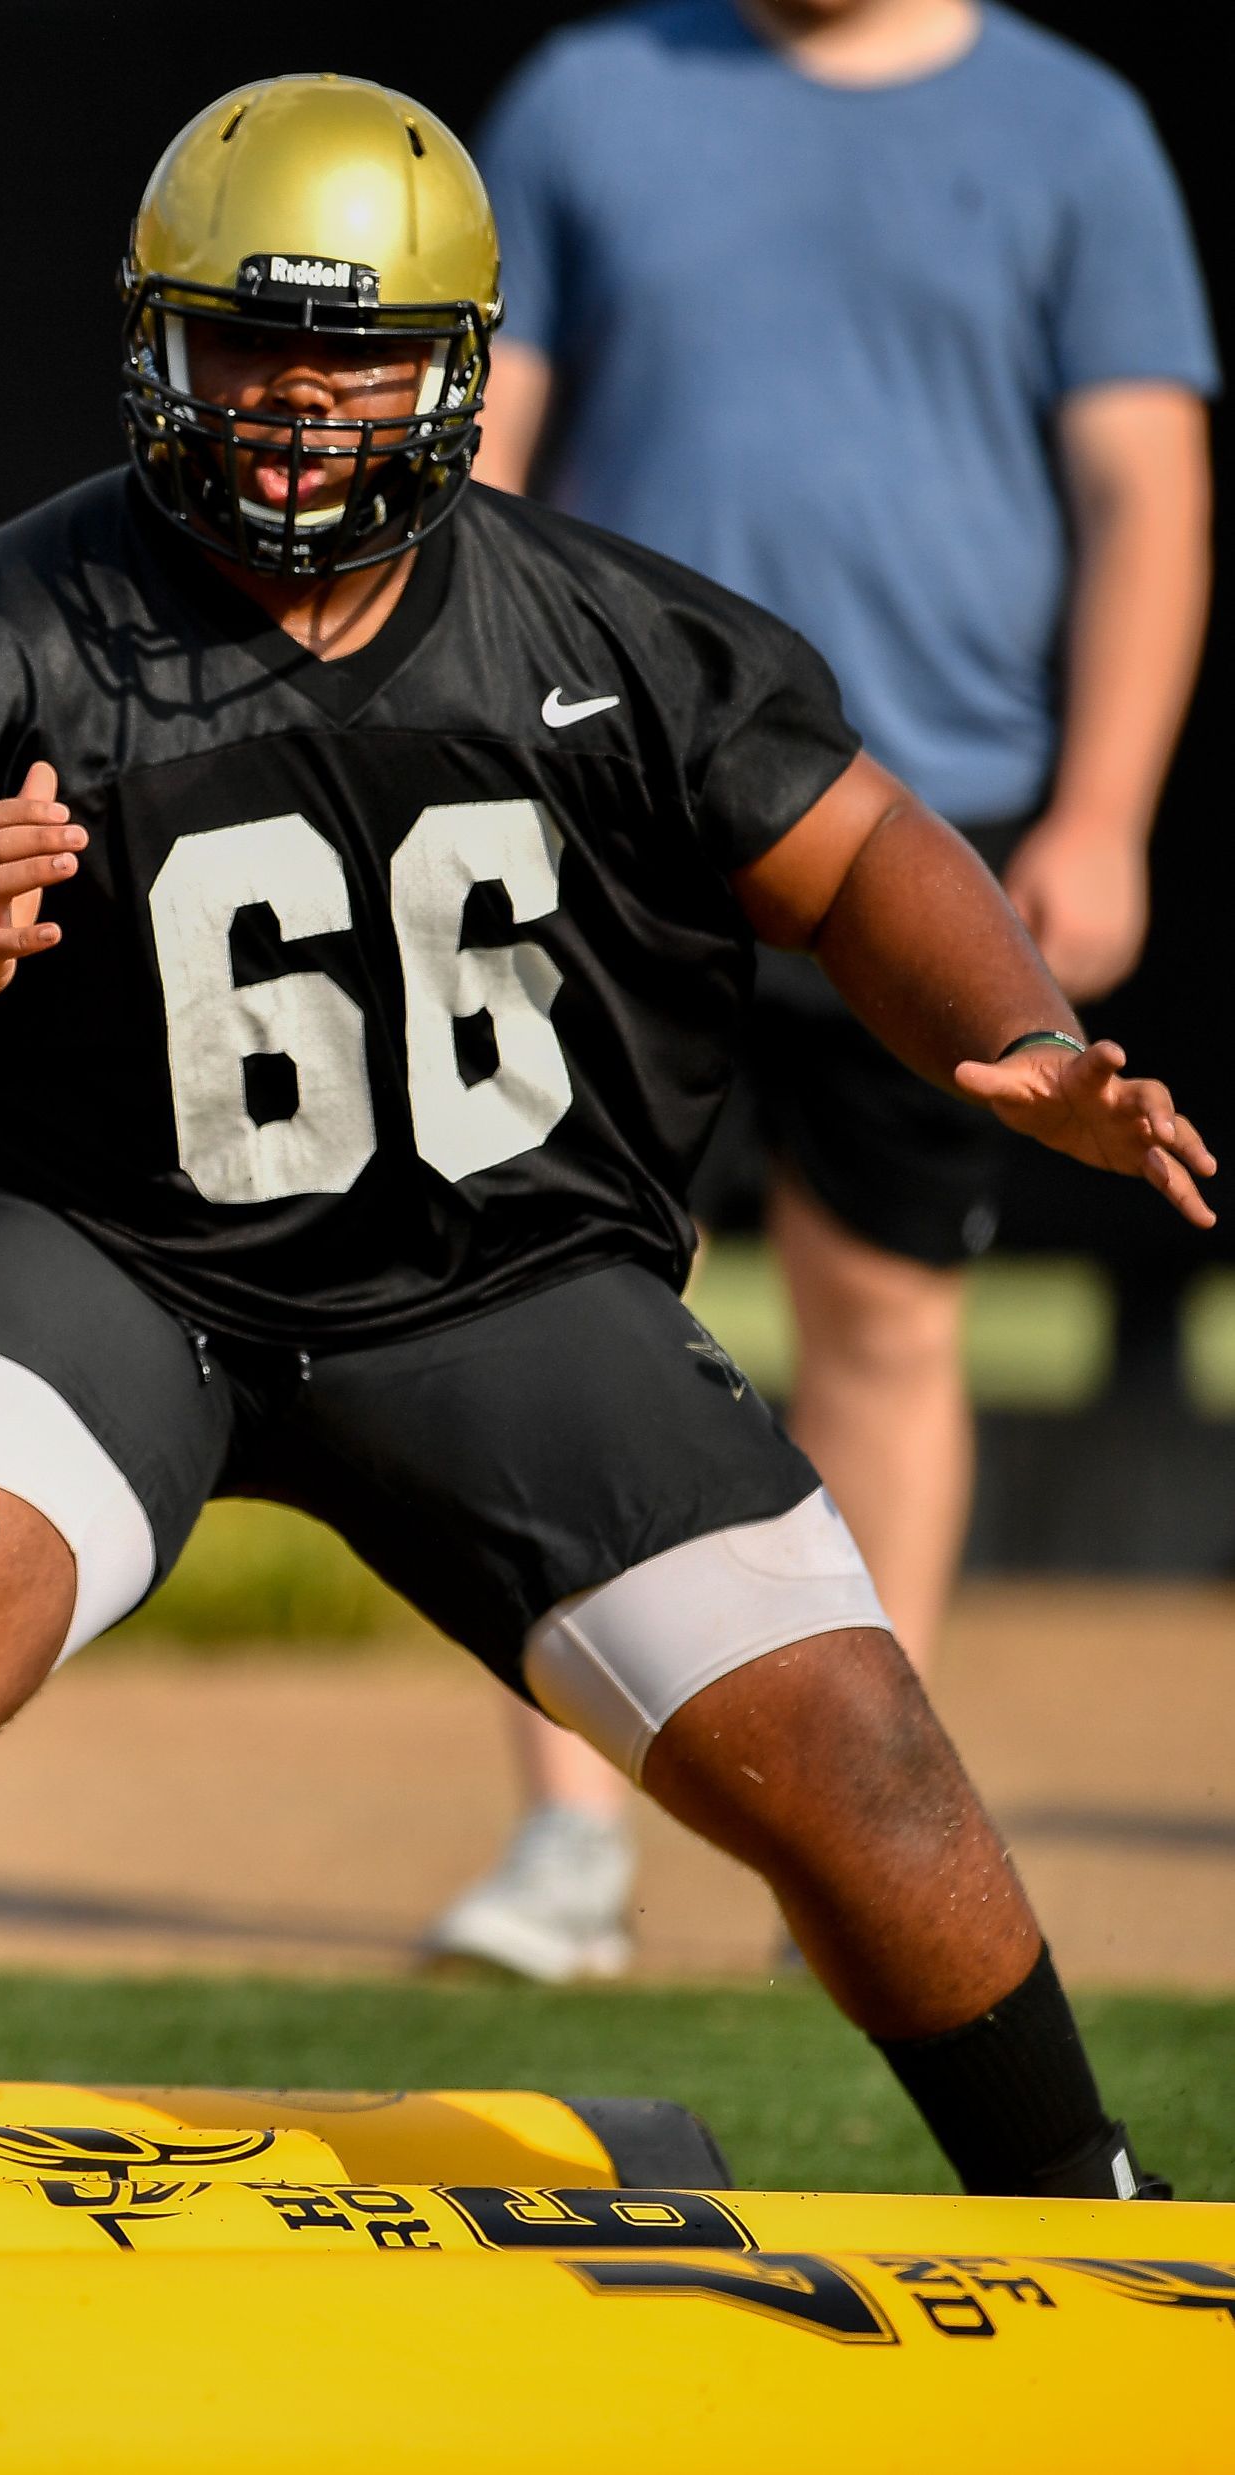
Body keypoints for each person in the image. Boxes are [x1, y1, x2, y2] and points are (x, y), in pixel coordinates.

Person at [0, 73, 1206, 2216]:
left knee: (856, 1741)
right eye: (246, 338)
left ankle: (1089, 2211)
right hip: (95, 1255)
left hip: (500, 1286)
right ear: (152, 342)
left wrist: (1011, 1030)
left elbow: (860, 843)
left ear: (458, 364)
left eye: (354, 351)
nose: (299, 400)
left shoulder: (606, 627)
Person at [430, 0, 1216, 1982]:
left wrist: (1103, 809)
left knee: (884, 1323)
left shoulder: (1072, 122)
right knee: (547, 1309)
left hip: (925, 831)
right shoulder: (588, 94)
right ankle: (566, 1852)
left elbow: (1139, 486)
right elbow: (479, 449)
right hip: (603, 817)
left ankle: (851, 1843)